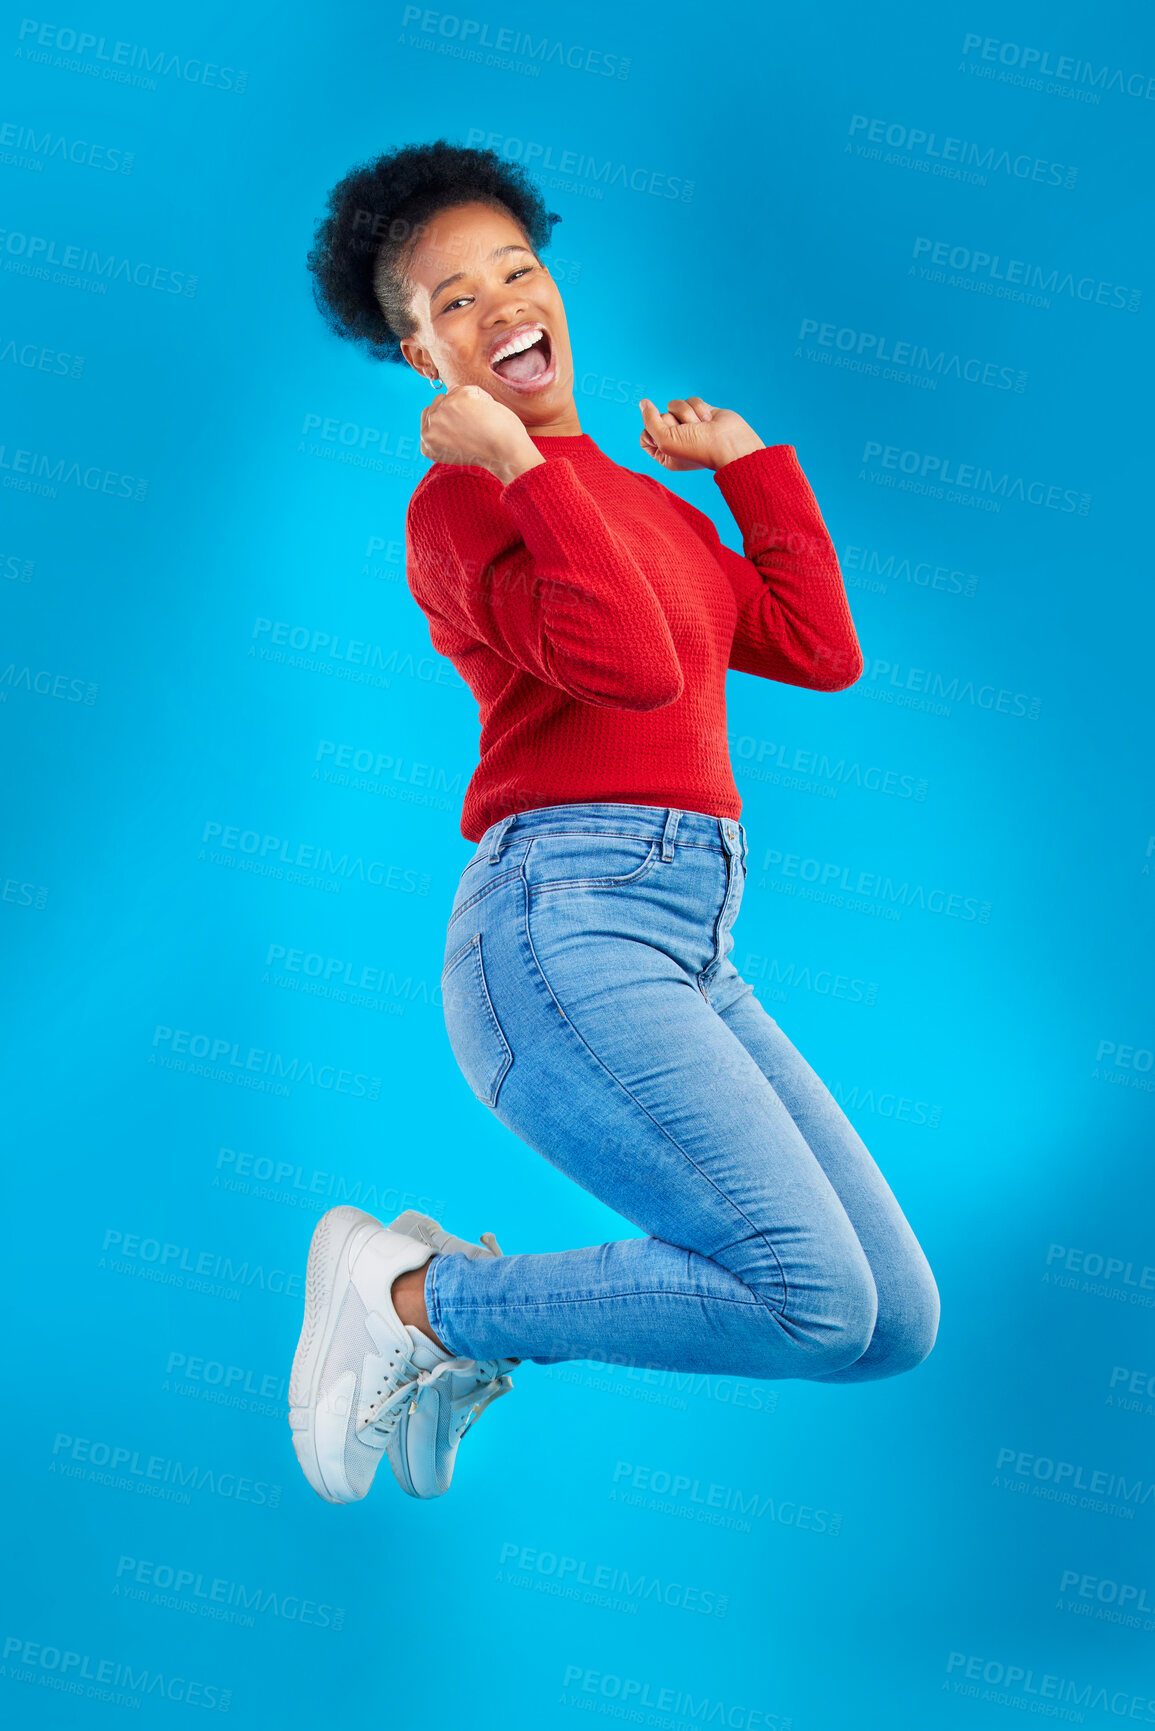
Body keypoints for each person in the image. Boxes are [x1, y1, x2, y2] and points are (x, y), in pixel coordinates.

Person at [287, 139, 940, 1507]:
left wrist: (748, 467)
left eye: (516, 271)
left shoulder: (634, 501)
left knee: (887, 1320)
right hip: (559, 924)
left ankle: (440, 1313)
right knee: (809, 1297)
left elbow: (820, 649)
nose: (500, 304)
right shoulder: (461, 507)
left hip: (688, 936)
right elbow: (631, 667)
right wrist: (522, 464)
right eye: (451, 300)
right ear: (421, 360)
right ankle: (420, 1305)